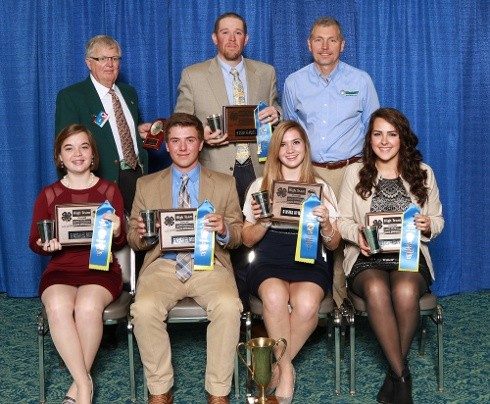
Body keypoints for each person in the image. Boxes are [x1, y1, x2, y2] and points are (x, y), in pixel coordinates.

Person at [128, 113, 243, 404]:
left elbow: (239, 232)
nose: (182, 148)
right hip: (163, 264)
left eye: (189, 140)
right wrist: (141, 233)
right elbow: (132, 238)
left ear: (201, 143)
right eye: (175, 141)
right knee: (142, 309)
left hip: (209, 264)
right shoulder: (146, 184)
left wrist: (225, 230)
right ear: (166, 145)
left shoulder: (224, 183)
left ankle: (218, 391)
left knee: (229, 307)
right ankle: (160, 389)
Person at [174, 12, 281, 310]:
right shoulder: (193, 75)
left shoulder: (266, 72)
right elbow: (181, 120)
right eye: (225, 32)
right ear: (214, 38)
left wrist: (277, 115)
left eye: (238, 33)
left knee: (259, 236)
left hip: (257, 168)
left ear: (246, 39)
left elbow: (275, 110)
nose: (231, 38)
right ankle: (229, 308)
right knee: (223, 236)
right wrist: (201, 134)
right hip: (217, 167)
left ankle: (258, 306)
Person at [337, 108, 444, 404]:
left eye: (392, 134)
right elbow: (341, 220)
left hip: (409, 256)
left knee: (406, 289)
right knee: (375, 287)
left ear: (402, 138)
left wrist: (427, 225)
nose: (384, 141)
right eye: (377, 134)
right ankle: (402, 377)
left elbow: (438, 219)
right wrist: (356, 233)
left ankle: (394, 376)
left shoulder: (423, 173)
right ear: (370, 138)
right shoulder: (354, 172)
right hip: (367, 257)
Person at [282, 16, 380, 306]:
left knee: (346, 237)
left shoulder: (360, 80)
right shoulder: (294, 82)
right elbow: (290, 131)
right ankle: (312, 306)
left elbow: (373, 128)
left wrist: (369, 172)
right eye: (319, 40)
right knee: (310, 235)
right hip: (309, 173)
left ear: (342, 44)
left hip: (351, 170)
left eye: (332, 39)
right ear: (309, 43)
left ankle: (342, 305)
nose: (325, 46)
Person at [242, 121, 341, 403]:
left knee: (308, 305)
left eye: (296, 142)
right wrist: (263, 222)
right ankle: (286, 372)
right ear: (274, 151)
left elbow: (334, 244)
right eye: (283, 144)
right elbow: (247, 240)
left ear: (305, 147)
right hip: (269, 258)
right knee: (273, 297)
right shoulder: (259, 186)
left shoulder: (321, 187)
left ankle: (272, 368)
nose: (290, 149)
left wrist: (326, 227)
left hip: (308, 259)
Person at [29, 124, 126, 404]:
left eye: (84, 147)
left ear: (93, 155)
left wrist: (118, 231)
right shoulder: (49, 195)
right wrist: (46, 244)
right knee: (58, 306)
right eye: (69, 148)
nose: (78, 154)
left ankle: (76, 389)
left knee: (86, 307)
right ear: (60, 157)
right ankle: (84, 385)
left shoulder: (110, 191)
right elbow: (34, 240)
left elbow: (118, 244)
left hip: (100, 269)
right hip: (60, 269)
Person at [55, 34, 150, 213]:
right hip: (102, 180)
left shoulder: (129, 93)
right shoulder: (72, 97)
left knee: (137, 237)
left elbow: (122, 131)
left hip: (138, 176)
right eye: (103, 59)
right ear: (89, 63)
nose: (110, 64)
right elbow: (64, 145)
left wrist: (140, 132)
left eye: (114, 58)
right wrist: (69, 192)